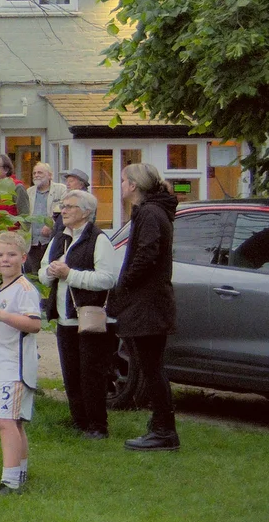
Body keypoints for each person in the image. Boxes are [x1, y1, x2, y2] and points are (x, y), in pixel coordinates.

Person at [111, 162, 181, 451]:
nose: (121, 185)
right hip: (150, 301)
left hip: (149, 303)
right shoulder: (153, 211)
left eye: (124, 180)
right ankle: (161, 425)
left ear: (134, 185)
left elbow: (147, 253)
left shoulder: (150, 213)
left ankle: (164, 430)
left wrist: (125, 281)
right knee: (153, 367)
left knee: (152, 369)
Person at [41, 188, 120, 438]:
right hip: (64, 318)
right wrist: (52, 272)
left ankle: (98, 425)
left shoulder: (99, 239)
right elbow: (42, 274)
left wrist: (70, 275)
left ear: (86, 212)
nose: (63, 210)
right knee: (71, 373)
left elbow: (108, 279)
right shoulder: (59, 238)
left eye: (70, 206)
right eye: (62, 206)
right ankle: (79, 420)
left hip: (89, 317)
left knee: (91, 374)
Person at [0, 231, 42, 493]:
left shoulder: (25, 289)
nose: (5, 259)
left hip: (15, 367)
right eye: (0, 254)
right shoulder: (1, 289)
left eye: (11, 254)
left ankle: (10, 481)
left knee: (4, 422)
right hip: (0, 363)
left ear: (23, 257)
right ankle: (21, 472)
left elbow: (34, 324)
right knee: (13, 421)